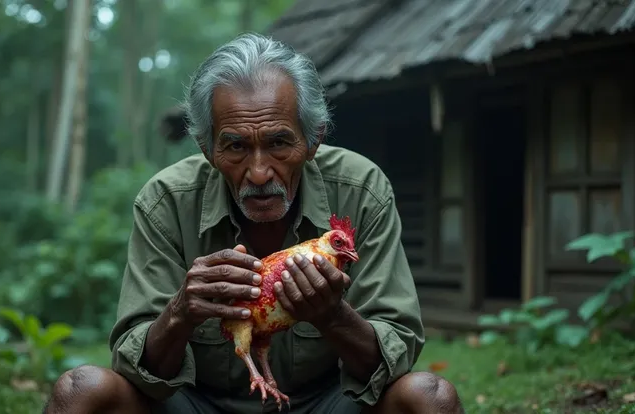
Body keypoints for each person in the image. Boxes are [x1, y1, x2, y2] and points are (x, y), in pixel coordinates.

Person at [44, 33, 464, 414]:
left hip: (327, 405)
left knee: (430, 397)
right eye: (237, 146)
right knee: (80, 390)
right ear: (206, 148)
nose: (259, 172)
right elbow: (138, 369)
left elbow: (396, 358)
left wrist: (332, 315)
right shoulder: (166, 201)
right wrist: (180, 312)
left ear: (313, 140)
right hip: (197, 406)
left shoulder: (361, 190)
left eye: (280, 142)